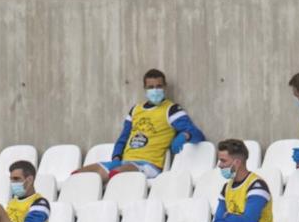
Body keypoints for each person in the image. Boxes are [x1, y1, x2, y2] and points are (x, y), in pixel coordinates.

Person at [75, 69, 205, 183]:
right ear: (145, 88)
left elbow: (197, 134)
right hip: (124, 162)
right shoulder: (136, 110)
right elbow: (123, 138)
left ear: (165, 87)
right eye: (151, 87)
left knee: (117, 174)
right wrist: (116, 157)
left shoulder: (172, 110)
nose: (155, 90)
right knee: (79, 176)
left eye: (158, 86)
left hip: (149, 165)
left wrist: (185, 135)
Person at [183, 139, 273, 222]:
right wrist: (237, 220)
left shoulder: (256, 185)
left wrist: (228, 217)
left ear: (237, 163)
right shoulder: (227, 187)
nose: (219, 165)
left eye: (223, 161)